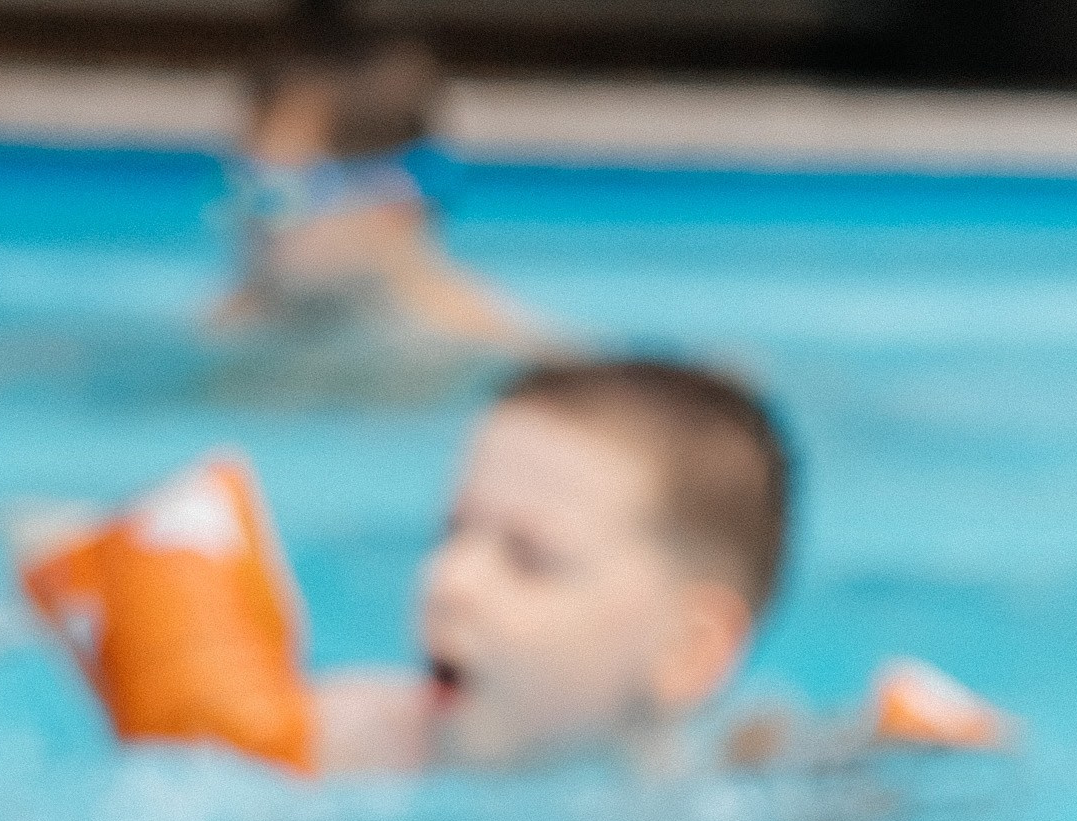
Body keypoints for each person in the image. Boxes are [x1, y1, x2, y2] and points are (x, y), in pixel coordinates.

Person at [312, 356, 1004, 776]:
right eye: (452, 532)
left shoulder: (732, 797)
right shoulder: (364, 741)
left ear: (686, 650)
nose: (449, 582)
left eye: (527, 558)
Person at [211, 39, 553, 359]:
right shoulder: (237, 324)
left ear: (392, 203)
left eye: (271, 198)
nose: (247, 220)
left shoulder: (497, 355)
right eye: (239, 187)